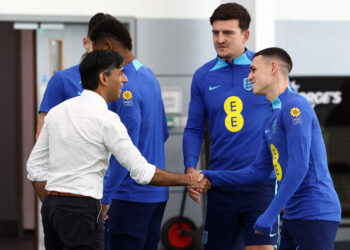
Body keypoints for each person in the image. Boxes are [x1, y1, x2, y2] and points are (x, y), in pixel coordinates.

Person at [27, 50, 210, 250]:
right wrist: (189, 179)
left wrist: (53, 202)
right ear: (103, 78)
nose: (124, 79)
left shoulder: (57, 112)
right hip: (83, 209)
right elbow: (141, 171)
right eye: (120, 73)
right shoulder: (107, 119)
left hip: (52, 209)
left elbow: (34, 166)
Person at [200, 47, 341, 250]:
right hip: (293, 214)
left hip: (316, 212)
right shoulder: (271, 117)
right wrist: (211, 176)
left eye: (253, 70)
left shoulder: (295, 107)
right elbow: (257, 173)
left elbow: (299, 165)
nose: (249, 77)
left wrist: (270, 213)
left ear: (273, 68)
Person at [183, 3, 278, 250]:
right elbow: (193, 129)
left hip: (261, 186)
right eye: (215, 33)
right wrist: (191, 169)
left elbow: (285, 124)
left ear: (245, 35)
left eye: (228, 33)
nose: (220, 39)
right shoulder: (203, 76)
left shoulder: (265, 71)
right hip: (219, 184)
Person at [88, 17, 169, 250]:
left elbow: (126, 149)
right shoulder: (149, 76)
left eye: (96, 53)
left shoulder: (124, 87)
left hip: (128, 195)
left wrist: (105, 197)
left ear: (108, 48)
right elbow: (162, 132)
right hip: (155, 194)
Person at [35, 12, 112, 139]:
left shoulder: (118, 82)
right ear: (85, 43)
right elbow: (41, 135)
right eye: (98, 46)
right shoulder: (61, 80)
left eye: (108, 48)